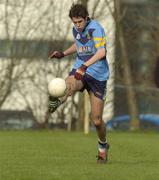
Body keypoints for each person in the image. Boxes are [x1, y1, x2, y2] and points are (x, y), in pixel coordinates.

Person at [49, 3, 110, 164]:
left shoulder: (96, 28)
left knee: (96, 120)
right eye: (74, 22)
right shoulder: (76, 30)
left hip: (98, 75)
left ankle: (103, 146)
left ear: (86, 18)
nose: (77, 25)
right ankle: (56, 100)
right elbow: (78, 45)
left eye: (80, 22)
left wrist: (85, 66)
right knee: (69, 84)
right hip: (80, 70)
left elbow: (102, 52)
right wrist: (63, 54)